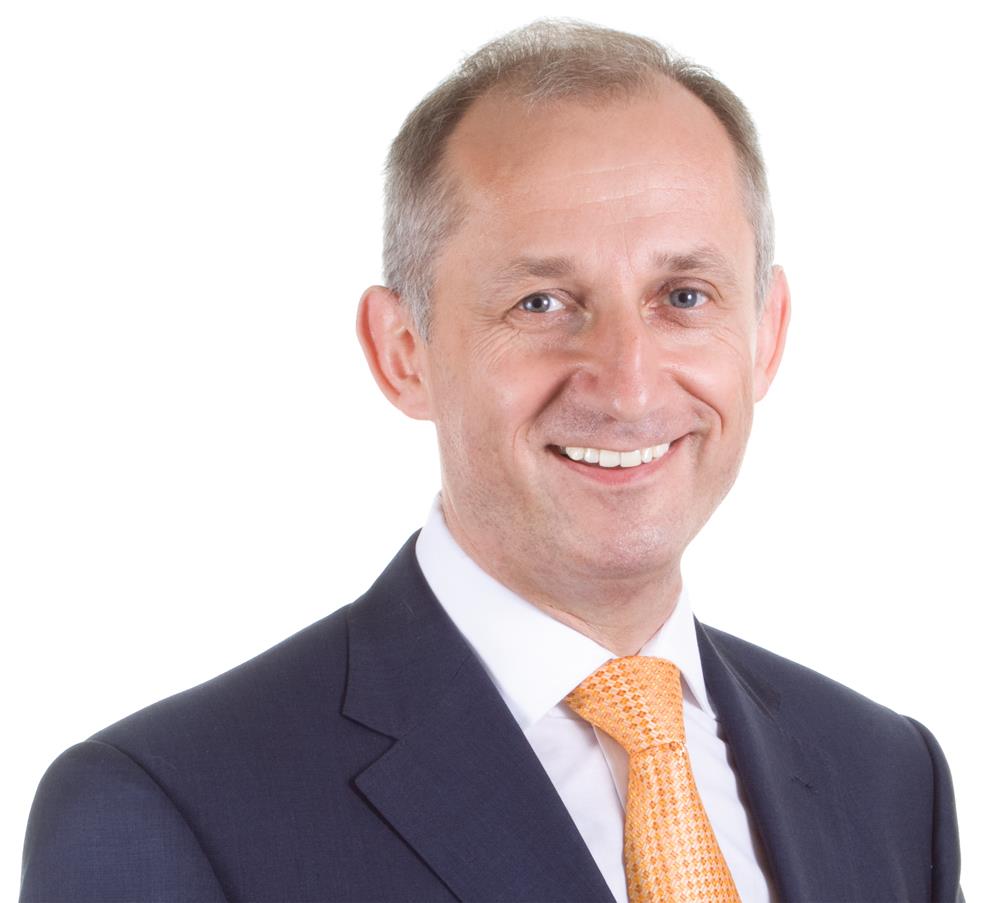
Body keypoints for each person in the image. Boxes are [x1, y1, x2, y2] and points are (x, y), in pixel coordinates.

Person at [20, 19, 962, 903]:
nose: (629, 384)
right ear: (403, 352)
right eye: (541, 303)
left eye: (684, 295)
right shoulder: (166, 806)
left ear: (767, 334)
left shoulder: (887, 778)